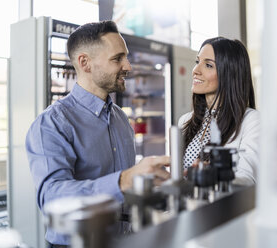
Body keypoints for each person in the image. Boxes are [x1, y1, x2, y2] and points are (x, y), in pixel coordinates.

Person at [25, 20, 170, 247]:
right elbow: (52, 198)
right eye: (117, 58)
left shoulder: (121, 119)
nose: (128, 66)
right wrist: (124, 180)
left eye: (126, 57)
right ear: (85, 63)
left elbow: (125, 192)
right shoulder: (52, 124)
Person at [178, 37, 259, 185]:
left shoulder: (251, 121)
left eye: (208, 65)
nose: (196, 70)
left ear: (229, 73)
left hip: (222, 207)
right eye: (197, 62)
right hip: (189, 207)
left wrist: (215, 176)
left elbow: (248, 179)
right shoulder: (185, 121)